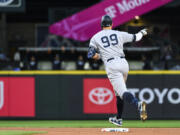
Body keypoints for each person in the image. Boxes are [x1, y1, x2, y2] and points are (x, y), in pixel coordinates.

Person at [87, 15, 148, 126]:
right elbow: (136, 37)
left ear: (101, 25)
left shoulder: (95, 37)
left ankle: (138, 104)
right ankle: (118, 119)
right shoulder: (119, 33)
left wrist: (101, 56)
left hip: (112, 65)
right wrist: (143, 32)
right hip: (124, 63)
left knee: (122, 92)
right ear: (112, 24)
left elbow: (90, 54)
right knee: (119, 93)